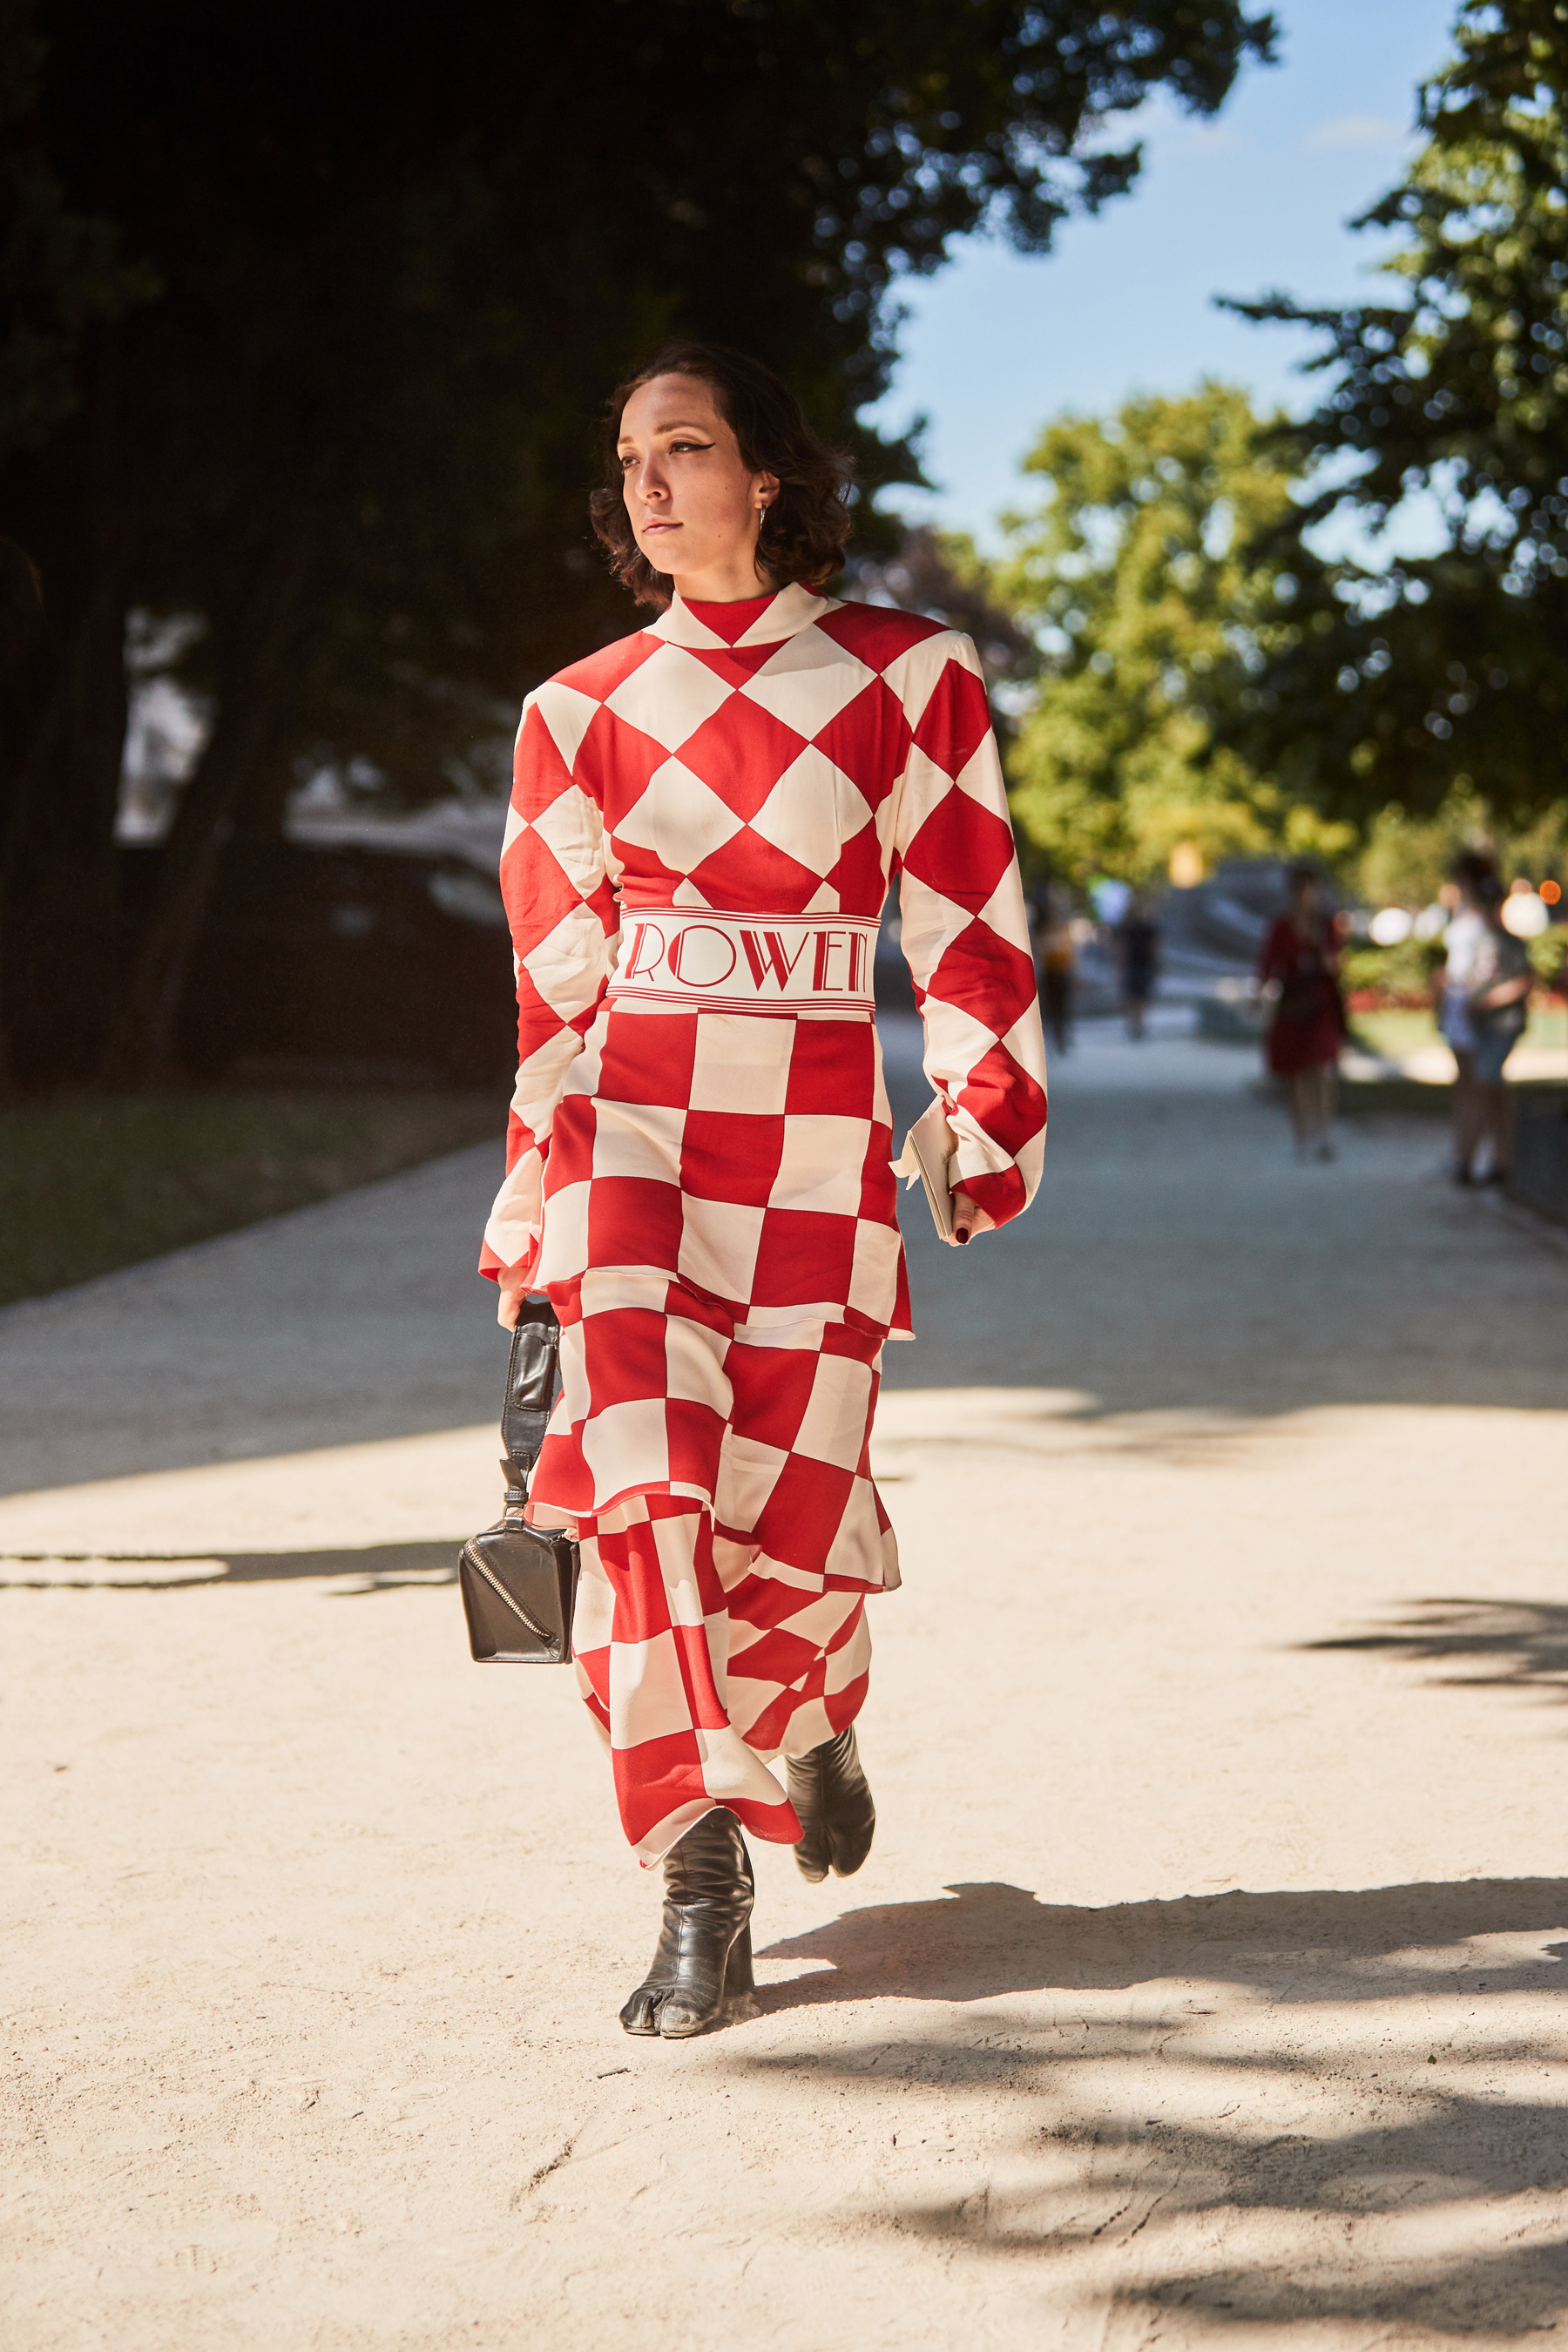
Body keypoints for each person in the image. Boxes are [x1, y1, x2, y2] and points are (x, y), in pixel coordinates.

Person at [478, 343, 1047, 2038]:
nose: (652, 478)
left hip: (812, 1150)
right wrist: (529, 1205)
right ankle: (696, 1873)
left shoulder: (903, 673)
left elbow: (964, 917)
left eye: (690, 445)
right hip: (635, 1149)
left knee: (784, 1525)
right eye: (632, 453)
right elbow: (556, 997)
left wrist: (980, 1107)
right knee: (642, 1497)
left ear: (770, 477)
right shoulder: (571, 712)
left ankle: (809, 1716)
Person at [1440, 850, 1531, 1185]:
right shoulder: (1478, 929)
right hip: (1472, 1013)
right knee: (1483, 1088)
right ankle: (1487, 1159)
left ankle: (1469, 1159)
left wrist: (1487, 1000)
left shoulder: (1498, 936)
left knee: (1483, 1085)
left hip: (1492, 1019)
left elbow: (1521, 977)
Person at [1258, 863, 1345, 1159]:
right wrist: (1263, 995)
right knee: (1297, 1072)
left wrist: (1324, 958)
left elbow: (1338, 964)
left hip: (1321, 1004)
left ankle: (1323, 1132)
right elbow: (1269, 965)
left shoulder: (1326, 925)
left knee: (1322, 1067)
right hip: (1294, 1004)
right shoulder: (1282, 926)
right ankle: (1302, 1134)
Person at [1034, 881, 1075, 1054]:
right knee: (1050, 1008)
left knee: (1063, 1007)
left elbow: (1070, 952)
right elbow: (1040, 952)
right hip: (1049, 972)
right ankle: (1053, 1039)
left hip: (1062, 971)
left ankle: (1062, 1038)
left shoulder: (1064, 929)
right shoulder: (1043, 931)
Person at [1117, 891, 1160, 1040]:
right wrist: (1120, 964)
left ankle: (1139, 1024)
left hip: (1143, 963)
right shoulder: (1128, 926)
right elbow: (1123, 946)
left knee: (1141, 996)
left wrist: (1155, 964)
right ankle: (1133, 1023)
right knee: (1132, 996)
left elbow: (1154, 947)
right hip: (1132, 963)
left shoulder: (1149, 926)